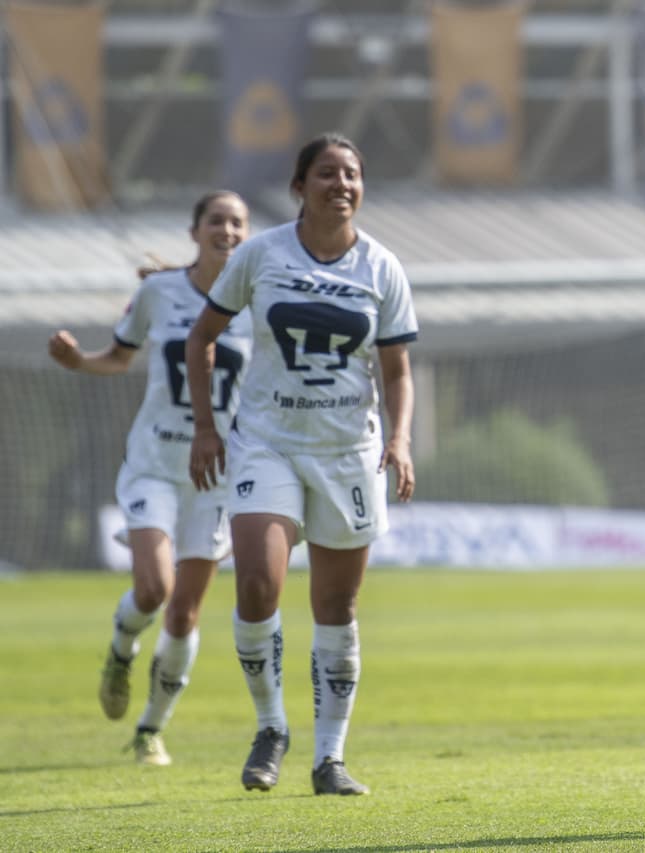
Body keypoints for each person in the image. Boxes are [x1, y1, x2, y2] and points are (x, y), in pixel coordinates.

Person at [185, 132, 418, 796]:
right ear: (298, 186)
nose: (341, 184)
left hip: (348, 452)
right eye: (326, 173)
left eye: (351, 174)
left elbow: (397, 370)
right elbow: (202, 338)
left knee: (336, 604)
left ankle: (329, 759)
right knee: (258, 583)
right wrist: (207, 428)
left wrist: (400, 439)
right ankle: (270, 726)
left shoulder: (382, 267)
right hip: (267, 443)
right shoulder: (260, 255)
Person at [48, 191, 253, 766]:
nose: (227, 230)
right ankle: (121, 651)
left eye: (238, 223)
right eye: (216, 220)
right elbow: (119, 356)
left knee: (184, 614)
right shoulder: (159, 292)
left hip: (217, 476)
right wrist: (78, 361)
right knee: (153, 589)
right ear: (195, 231)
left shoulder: (258, 297)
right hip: (156, 464)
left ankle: (149, 731)